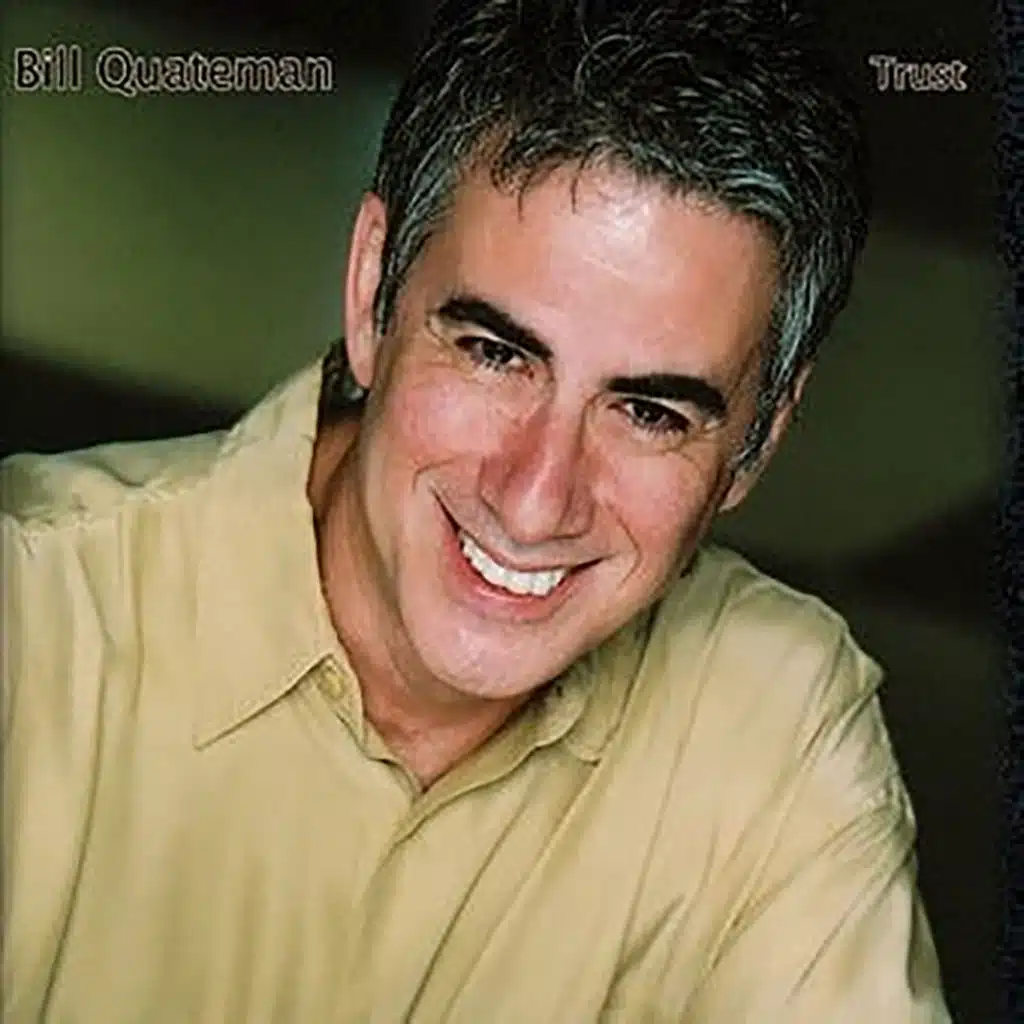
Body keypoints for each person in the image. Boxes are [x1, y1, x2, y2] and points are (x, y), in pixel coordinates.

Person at [2, 0, 951, 1020]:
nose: (535, 500)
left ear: (756, 438)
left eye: (647, 411)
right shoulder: (33, 616)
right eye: (496, 353)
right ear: (372, 290)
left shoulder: (774, 726)